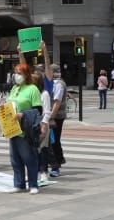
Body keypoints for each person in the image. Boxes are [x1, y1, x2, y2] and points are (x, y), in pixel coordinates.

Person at [5, 63, 42, 193]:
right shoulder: (14, 89)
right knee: (15, 158)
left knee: (29, 157)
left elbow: (38, 110)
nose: (16, 75)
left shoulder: (32, 89)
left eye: (19, 73)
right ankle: (19, 183)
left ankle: (33, 184)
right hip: (12, 128)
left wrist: (23, 114)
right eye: (15, 72)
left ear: (26, 75)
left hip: (26, 129)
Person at [45, 63, 68, 179]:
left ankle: (57, 162)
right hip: (56, 115)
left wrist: (51, 117)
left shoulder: (58, 84)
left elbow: (57, 102)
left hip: (57, 116)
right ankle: (59, 159)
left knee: (54, 140)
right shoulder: (55, 83)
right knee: (55, 139)